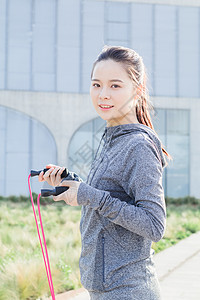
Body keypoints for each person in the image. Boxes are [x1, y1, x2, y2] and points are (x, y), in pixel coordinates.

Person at [39, 45, 172, 300]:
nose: (103, 95)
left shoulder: (139, 146)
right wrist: (73, 185)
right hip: (106, 290)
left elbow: (154, 225)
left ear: (138, 89)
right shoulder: (113, 138)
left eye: (115, 85)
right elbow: (108, 198)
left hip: (128, 291)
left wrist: (90, 195)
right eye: (96, 84)